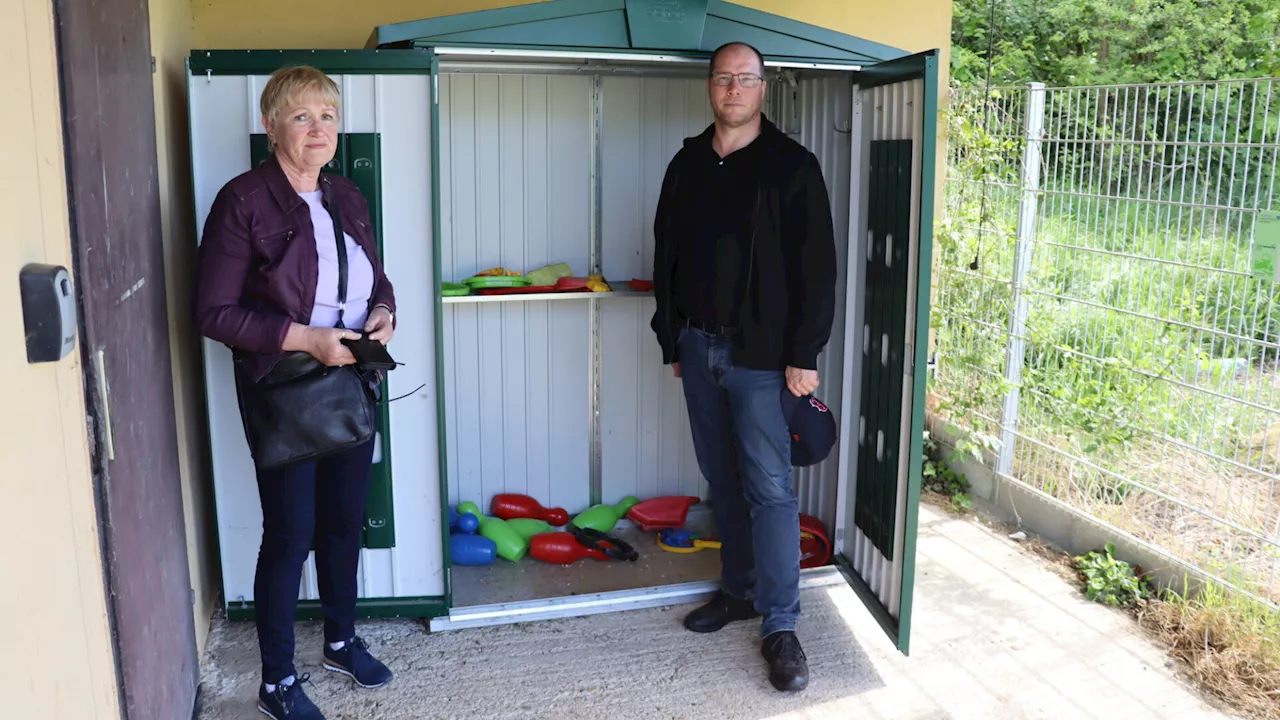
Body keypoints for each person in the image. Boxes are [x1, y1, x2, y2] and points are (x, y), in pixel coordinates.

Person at [194, 65, 397, 720]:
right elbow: (213, 312)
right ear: (271, 125)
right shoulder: (243, 201)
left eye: (328, 116)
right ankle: (276, 681)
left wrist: (384, 313)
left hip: (349, 378)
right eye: (302, 115)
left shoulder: (347, 195)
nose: (318, 128)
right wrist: (307, 338)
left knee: (342, 525)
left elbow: (374, 277)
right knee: (290, 534)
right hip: (284, 387)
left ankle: (341, 639)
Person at [650, 41, 838, 693]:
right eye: (724, 78)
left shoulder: (791, 168)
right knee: (721, 481)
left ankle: (781, 625)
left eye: (746, 79)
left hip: (764, 360)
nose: (734, 88)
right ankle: (738, 591)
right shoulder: (687, 165)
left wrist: (803, 357)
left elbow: (818, 270)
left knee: (771, 490)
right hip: (699, 350)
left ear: (764, 88)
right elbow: (665, 251)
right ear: (710, 86)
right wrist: (672, 339)